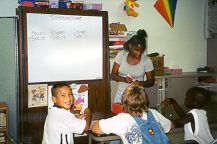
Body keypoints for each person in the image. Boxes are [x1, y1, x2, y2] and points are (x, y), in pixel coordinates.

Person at [91, 84, 173, 144]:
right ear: (145, 100)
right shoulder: (154, 113)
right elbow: (170, 125)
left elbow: (95, 129)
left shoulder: (122, 119)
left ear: (123, 102)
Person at [111, 29, 155, 103]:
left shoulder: (147, 60)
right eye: (136, 50)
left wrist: (140, 83)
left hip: (138, 97)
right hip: (121, 95)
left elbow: (151, 81)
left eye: (141, 51)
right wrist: (124, 79)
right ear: (130, 46)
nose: (138, 53)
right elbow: (113, 75)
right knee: (119, 114)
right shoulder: (121, 55)